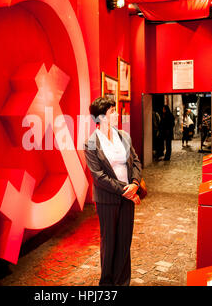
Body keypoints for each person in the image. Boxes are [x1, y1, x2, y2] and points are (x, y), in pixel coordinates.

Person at [84, 96, 142, 286]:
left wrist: (134, 183)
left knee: (125, 243)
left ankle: (122, 282)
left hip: (128, 197)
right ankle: (107, 285)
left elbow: (136, 161)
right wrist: (127, 191)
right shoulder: (91, 143)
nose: (117, 114)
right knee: (109, 243)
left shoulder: (123, 136)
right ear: (101, 117)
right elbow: (99, 177)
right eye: (112, 111)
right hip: (107, 199)